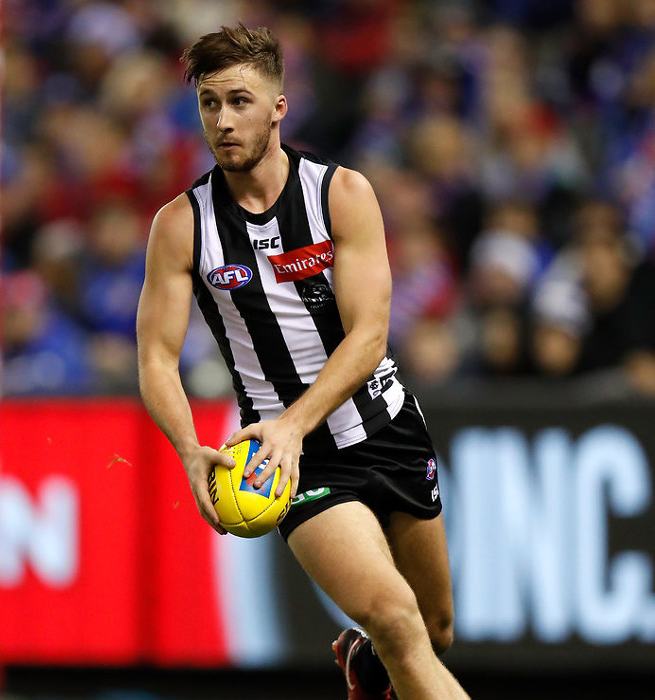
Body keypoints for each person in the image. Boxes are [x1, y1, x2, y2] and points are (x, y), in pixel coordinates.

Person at [136, 24, 470, 700]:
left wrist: (296, 420)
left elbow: (369, 336)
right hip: (292, 463)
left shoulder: (340, 194)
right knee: (396, 621)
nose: (223, 121)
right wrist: (189, 449)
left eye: (239, 101)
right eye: (208, 104)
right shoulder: (181, 225)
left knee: (433, 630)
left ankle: (363, 666)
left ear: (278, 108)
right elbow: (156, 359)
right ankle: (377, 648)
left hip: (388, 428)